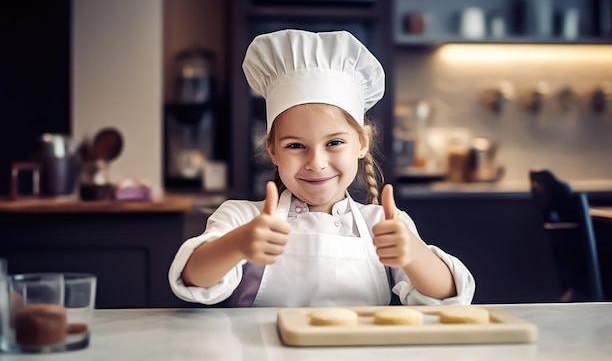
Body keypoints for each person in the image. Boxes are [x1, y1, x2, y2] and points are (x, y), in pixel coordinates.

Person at [169, 29, 475, 307]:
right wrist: (239, 242)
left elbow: (449, 296)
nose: (316, 162)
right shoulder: (243, 218)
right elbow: (194, 278)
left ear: (361, 143)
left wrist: (413, 254)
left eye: (334, 143)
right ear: (272, 150)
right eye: (295, 146)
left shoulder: (382, 224)